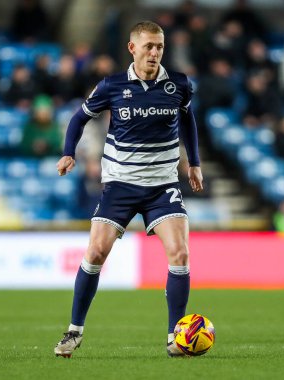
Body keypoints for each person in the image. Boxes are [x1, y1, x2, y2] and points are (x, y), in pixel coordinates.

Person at [54, 21, 203, 358]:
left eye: (160, 47)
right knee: (94, 253)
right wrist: (68, 152)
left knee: (180, 254)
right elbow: (79, 118)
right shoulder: (111, 85)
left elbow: (188, 120)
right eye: (148, 46)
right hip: (120, 185)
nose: (154, 53)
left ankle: (175, 337)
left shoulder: (179, 84)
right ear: (132, 48)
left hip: (162, 186)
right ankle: (74, 331)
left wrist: (193, 162)